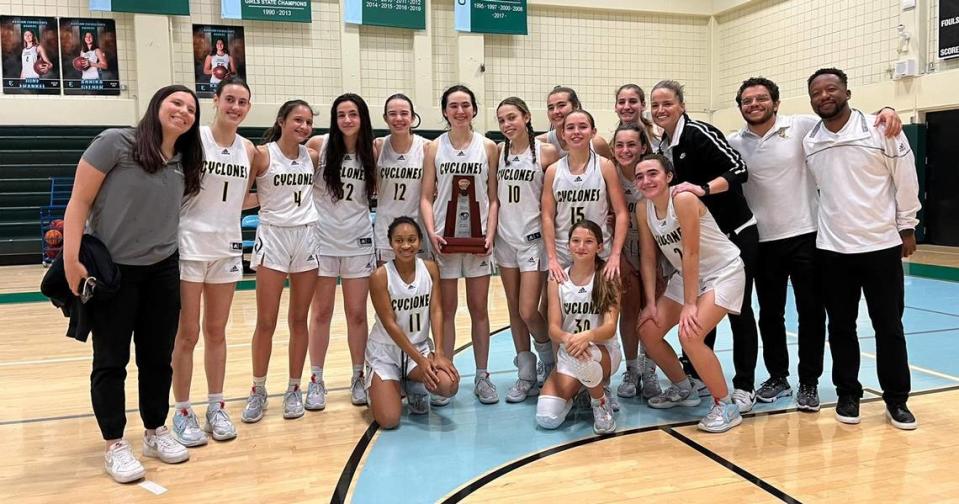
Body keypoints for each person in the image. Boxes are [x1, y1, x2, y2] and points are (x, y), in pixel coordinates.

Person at [727, 77, 902, 411]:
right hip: (762, 241)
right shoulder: (735, 142)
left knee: (811, 314)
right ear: (740, 107)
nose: (754, 105)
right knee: (770, 315)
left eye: (761, 98)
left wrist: (887, 110)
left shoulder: (803, 126)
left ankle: (809, 381)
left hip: (807, 236)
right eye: (747, 101)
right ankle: (778, 375)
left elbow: (843, 117)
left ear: (775, 103)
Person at [63, 85, 203, 482]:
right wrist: (71, 259)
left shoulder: (184, 158)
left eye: (191, 108)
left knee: (158, 358)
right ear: (157, 104)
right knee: (111, 360)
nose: (183, 111)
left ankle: (156, 430)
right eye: (176, 102)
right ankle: (114, 443)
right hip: (113, 272)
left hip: (162, 270)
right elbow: (79, 201)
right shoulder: (114, 142)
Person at [803, 67, 920, 430]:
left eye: (832, 89)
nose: (825, 96)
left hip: (881, 245)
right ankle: (848, 393)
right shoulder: (810, 140)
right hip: (833, 249)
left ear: (847, 93)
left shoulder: (881, 129)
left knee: (889, 326)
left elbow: (906, 180)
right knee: (840, 327)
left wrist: (908, 226)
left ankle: (896, 400)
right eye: (817, 92)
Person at [650, 79, 759, 412]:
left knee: (740, 313)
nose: (660, 110)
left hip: (735, 234)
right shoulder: (661, 148)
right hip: (698, 243)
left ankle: (744, 386)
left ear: (681, 105)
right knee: (697, 312)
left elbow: (740, 169)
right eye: (654, 105)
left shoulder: (699, 133)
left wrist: (702, 189)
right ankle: (697, 375)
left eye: (667, 103)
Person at [170, 77, 256, 447]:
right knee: (187, 333)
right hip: (190, 244)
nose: (235, 107)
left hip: (227, 246)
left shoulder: (249, 150)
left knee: (217, 332)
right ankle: (183, 410)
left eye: (242, 102)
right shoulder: (195, 139)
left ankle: (216, 406)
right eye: (230, 99)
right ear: (216, 99)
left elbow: (243, 199)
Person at [635, 154, 745, 433]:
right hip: (688, 275)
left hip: (723, 271)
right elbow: (648, 257)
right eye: (640, 176)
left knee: (690, 334)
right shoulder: (642, 208)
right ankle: (684, 388)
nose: (646, 181)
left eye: (652, 174)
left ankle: (725, 405)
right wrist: (650, 302)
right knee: (647, 328)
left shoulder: (682, 200)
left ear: (668, 176)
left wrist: (689, 304)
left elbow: (692, 251)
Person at [420, 84, 500, 405]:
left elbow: (493, 198)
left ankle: (482, 376)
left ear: (474, 110)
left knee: (479, 309)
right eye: (453, 106)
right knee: (447, 311)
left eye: (465, 105)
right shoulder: (433, 149)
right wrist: (431, 232)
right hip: (445, 240)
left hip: (479, 239)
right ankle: (447, 373)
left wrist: (491, 232)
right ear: (444, 111)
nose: (460, 111)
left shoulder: (489, 147)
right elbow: (427, 197)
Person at [241, 100, 320, 423]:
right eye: (297, 120)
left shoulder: (311, 156)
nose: (303, 126)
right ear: (282, 121)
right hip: (273, 236)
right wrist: (269, 197)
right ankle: (258, 389)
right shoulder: (262, 155)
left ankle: (294, 387)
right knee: (266, 321)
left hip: (306, 236)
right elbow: (240, 197)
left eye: (308, 122)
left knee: (299, 319)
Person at [305, 94, 378, 409]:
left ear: (362, 118)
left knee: (357, 314)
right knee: (321, 312)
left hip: (359, 239)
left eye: (353, 114)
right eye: (341, 115)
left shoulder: (373, 151)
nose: (347, 120)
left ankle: (358, 376)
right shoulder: (319, 147)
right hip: (323, 240)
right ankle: (316, 379)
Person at [493, 97, 560, 403]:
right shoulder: (497, 151)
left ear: (526, 117)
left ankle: (549, 361)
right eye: (502, 120)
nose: (507, 125)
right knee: (513, 309)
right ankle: (525, 373)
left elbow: (555, 198)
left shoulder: (546, 152)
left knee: (528, 309)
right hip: (505, 239)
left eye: (512, 118)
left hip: (533, 239)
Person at [365, 217, 460, 428]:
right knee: (389, 420)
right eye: (399, 240)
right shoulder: (380, 277)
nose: (406, 245)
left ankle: (412, 384)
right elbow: (390, 324)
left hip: (418, 347)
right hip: (386, 352)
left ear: (419, 242)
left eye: (411, 239)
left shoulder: (430, 268)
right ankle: (376, 382)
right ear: (390, 243)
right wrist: (422, 361)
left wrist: (440, 354)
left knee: (449, 385)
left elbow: (436, 310)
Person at [535, 220, 622, 435]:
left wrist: (587, 336)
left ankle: (600, 402)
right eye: (576, 241)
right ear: (568, 245)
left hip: (602, 351)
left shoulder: (607, 276)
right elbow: (553, 329)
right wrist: (569, 339)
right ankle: (584, 388)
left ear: (599, 247)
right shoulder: (557, 279)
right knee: (547, 418)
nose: (581, 246)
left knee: (588, 355)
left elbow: (610, 327)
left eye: (588, 241)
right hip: (569, 351)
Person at [609, 123, 662, 401]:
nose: (625, 150)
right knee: (629, 312)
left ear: (643, 147)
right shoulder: (610, 173)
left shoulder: (653, 173)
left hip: (657, 250)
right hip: (624, 251)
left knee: (651, 312)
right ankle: (632, 369)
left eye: (631, 145)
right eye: (620, 145)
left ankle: (649, 369)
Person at [374, 94, 429, 264]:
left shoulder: (427, 147)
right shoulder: (378, 146)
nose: (398, 118)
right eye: (392, 113)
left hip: (417, 229)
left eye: (404, 113)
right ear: (385, 118)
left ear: (412, 118)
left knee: (419, 287)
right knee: (386, 285)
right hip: (385, 230)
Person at [536, 86, 613, 159]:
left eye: (561, 105)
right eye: (551, 108)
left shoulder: (597, 144)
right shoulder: (539, 143)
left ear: (575, 106)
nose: (555, 111)